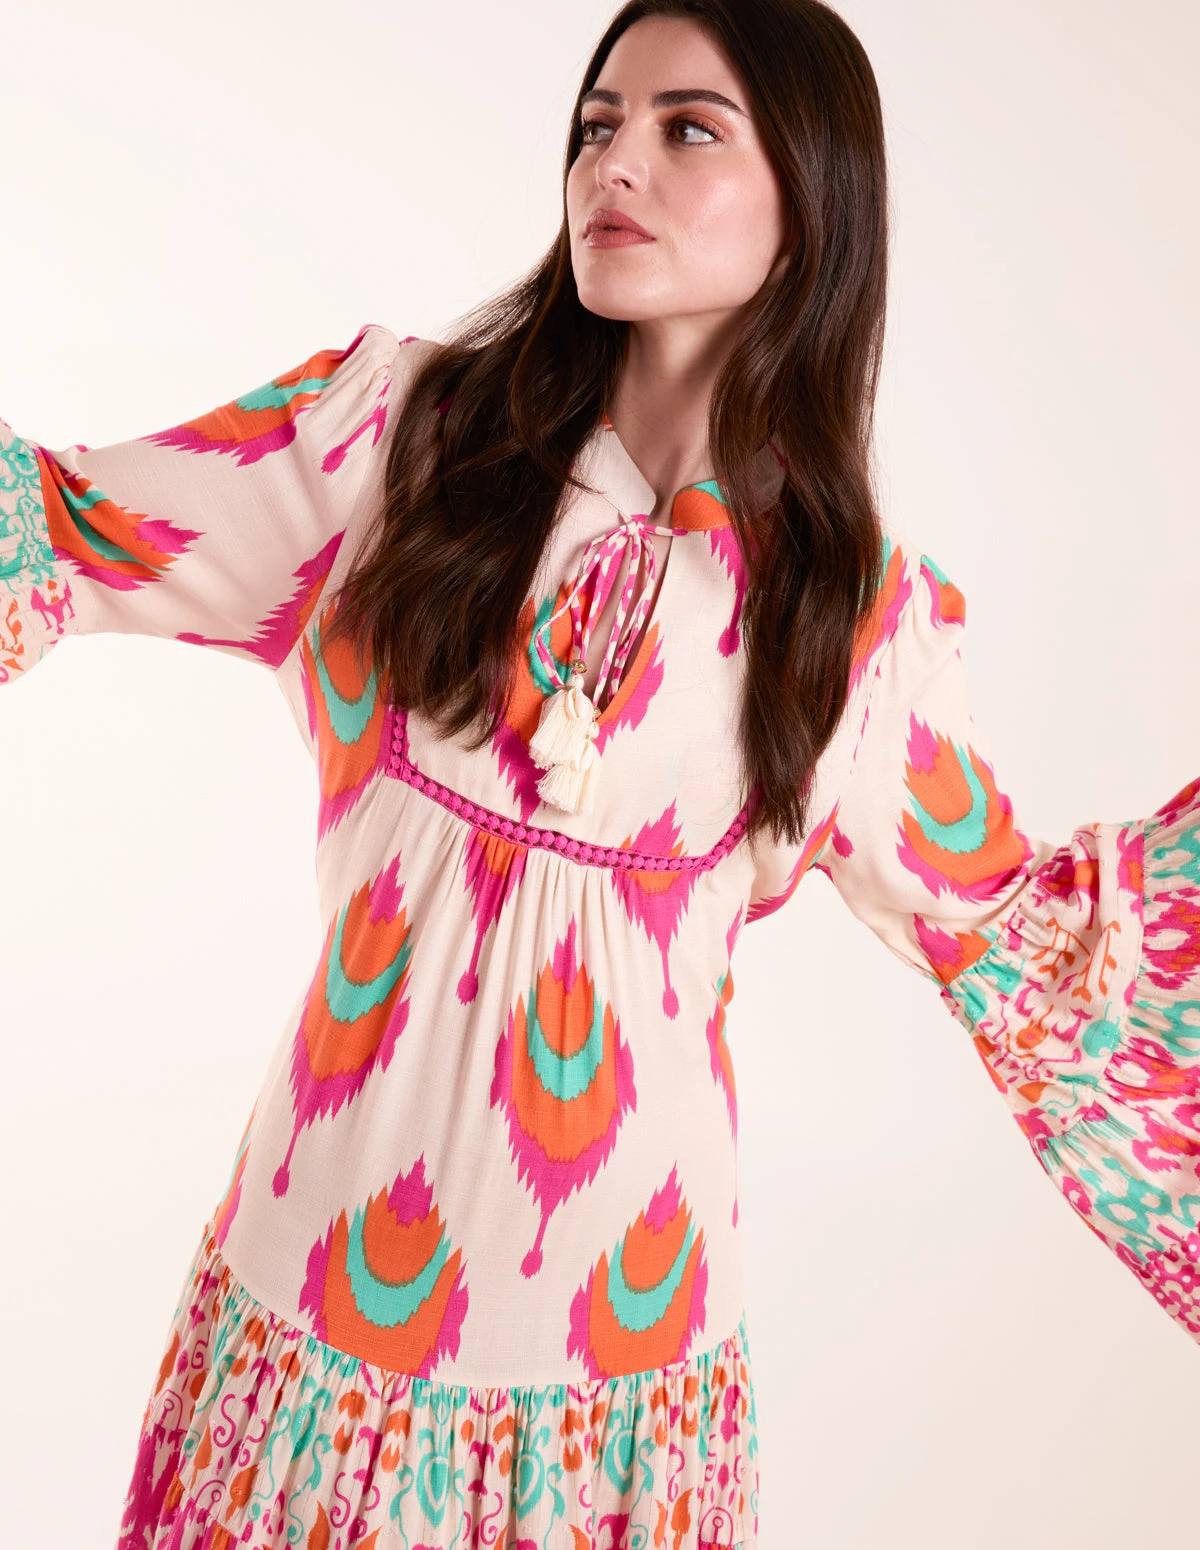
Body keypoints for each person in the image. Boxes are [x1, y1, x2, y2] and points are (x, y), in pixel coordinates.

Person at [2, 1, 1196, 1546]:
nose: (614, 162)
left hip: (624, 1410)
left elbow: (1053, 950)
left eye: (688, 129)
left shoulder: (851, 622)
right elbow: (62, 533)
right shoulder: (391, 441)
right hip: (310, 1348)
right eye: (597, 124)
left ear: (812, 204)